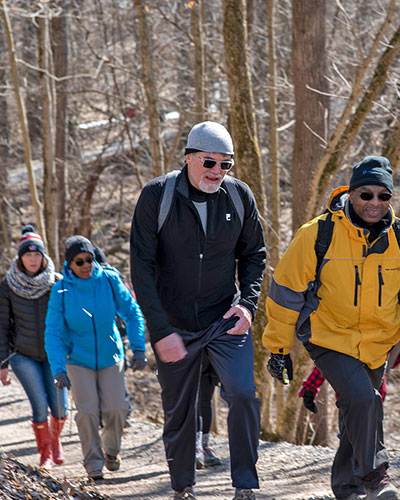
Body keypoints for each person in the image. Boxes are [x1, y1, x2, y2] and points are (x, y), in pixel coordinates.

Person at [130, 120, 266, 500]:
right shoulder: (157, 196)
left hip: (224, 317)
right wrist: (160, 331)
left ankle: (244, 485)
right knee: (179, 412)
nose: (217, 172)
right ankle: (182, 487)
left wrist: (248, 305)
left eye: (226, 164)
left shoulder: (240, 197)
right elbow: (140, 267)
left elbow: (255, 255)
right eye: (209, 162)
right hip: (173, 323)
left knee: (242, 393)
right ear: (189, 157)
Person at [262, 156, 400, 500]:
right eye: (366, 194)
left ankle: (346, 488)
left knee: (358, 409)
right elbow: (285, 293)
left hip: (378, 342)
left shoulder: (399, 237)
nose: (375, 203)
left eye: (384, 196)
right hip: (328, 337)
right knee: (363, 400)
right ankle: (375, 477)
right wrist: (278, 347)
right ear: (351, 194)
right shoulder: (317, 234)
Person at [44, 235, 146, 480]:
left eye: (90, 259)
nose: (86, 265)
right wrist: (58, 368)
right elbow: (54, 332)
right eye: (80, 262)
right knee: (87, 411)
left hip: (111, 355)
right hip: (77, 359)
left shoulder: (109, 280)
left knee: (117, 408)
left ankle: (111, 450)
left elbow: (132, 312)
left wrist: (139, 347)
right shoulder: (61, 290)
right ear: (70, 264)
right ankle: (93, 464)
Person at [0, 225, 68, 472]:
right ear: (20, 257)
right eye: (28, 255)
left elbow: (70, 319)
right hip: (23, 355)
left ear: (43, 256)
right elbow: (2, 327)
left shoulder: (57, 282)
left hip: (54, 355)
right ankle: (45, 452)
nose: (32, 259)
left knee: (60, 408)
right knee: (39, 405)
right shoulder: (8, 285)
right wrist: (2, 364)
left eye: (37, 254)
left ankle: (56, 439)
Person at [93, 245, 147, 426]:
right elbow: (133, 305)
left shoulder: (108, 279)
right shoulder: (118, 277)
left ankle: (110, 413)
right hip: (120, 334)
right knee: (118, 373)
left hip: (112, 332)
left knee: (109, 374)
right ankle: (125, 410)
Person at [195, 357, 221, 469]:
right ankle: (194, 448)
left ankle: (204, 447)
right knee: (191, 400)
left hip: (210, 354)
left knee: (205, 400)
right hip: (187, 349)